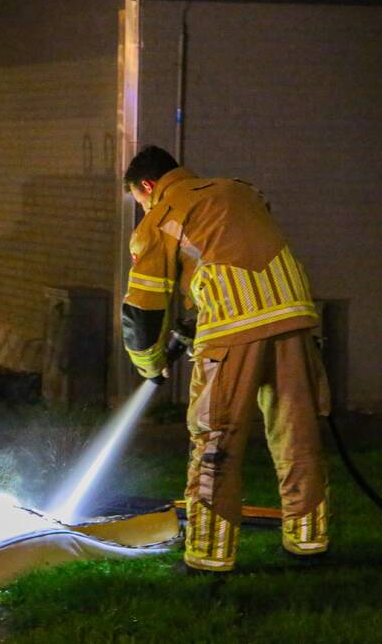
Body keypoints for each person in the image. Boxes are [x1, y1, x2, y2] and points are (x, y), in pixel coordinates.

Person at [121, 145, 331, 574]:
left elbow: (144, 309)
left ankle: (208, 557)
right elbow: (232, 252)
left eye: (139, 199)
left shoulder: (159, 218)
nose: (142, 207)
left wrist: (149, 363)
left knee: (216, 442)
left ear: (147, 186)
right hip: (294, 315)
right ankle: (308, 544)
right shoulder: (239, 191)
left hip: (234, 328)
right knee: (298, 436)